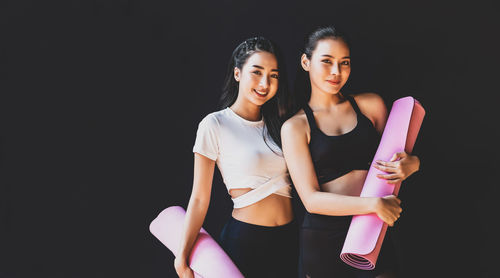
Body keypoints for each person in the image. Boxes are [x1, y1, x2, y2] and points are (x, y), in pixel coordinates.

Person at [281, 26, 421, 278]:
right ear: (306, 61)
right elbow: (311, 200)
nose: (336, 72)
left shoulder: (371, 106)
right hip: (324, 237)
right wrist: (372, 205)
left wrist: (413, 164)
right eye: (326, 61)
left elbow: (400, 156)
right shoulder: (295, 127)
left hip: (373, 227)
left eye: (344, 63)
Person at [174, 36, 298, 278]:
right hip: (245, 242)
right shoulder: (215, 124)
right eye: (257, 72)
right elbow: (199, 198)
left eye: (273, 75)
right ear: (237, 73)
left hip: (289, 240)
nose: (265, 83)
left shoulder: (282, 125)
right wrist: (182, 255)